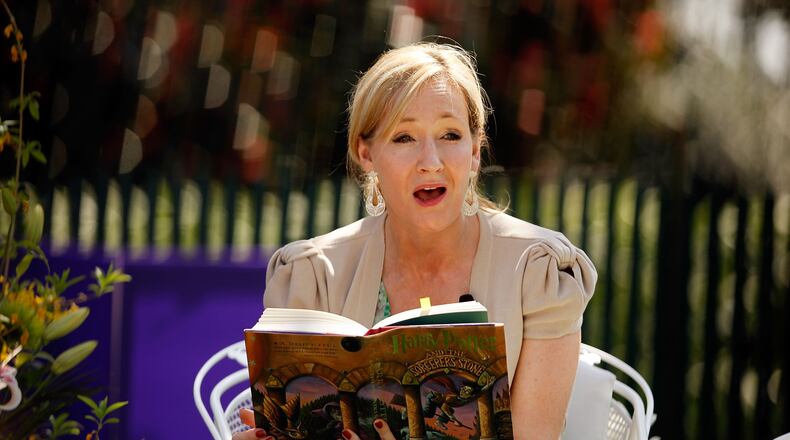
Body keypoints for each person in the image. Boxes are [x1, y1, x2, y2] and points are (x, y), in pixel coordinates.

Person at [232, 41, 596, 440]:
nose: (431, 162)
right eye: (404, 137)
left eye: (450, 135)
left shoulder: (539, 273)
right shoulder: (312, 275)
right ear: (366, 154)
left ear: (475, 151)